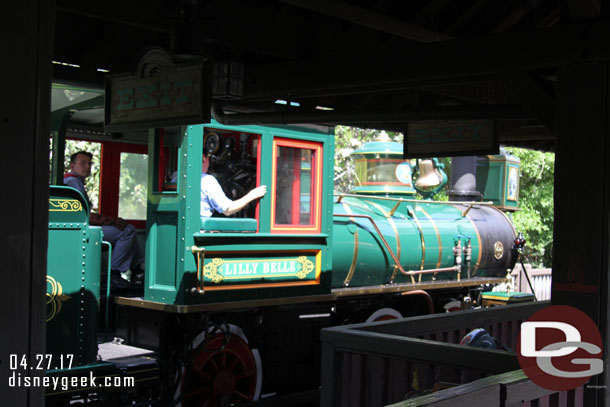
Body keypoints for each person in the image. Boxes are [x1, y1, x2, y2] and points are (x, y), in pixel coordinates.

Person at [64, 151, 144, 289]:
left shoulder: (73, 181)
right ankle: (114, 274)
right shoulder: (73, 183)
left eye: (89, 163)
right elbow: (86, 216)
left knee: (127, 229)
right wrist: (112, 220)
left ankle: (137, 268)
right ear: (72, 165)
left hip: (76, 230)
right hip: (79, 232)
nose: (87, 167)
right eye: (83, 163)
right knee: (128, 231)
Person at [201, 151, 267, 217]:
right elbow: (228, 210)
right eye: (209, 158)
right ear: (204, 158)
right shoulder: (207, 180)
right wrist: (253, 194)